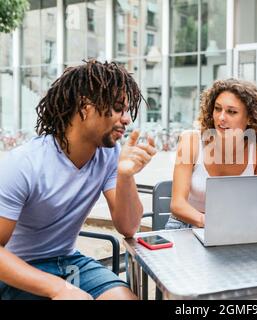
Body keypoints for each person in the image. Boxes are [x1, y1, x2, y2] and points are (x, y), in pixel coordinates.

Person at [0, 60, 156, 300]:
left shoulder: (110, 154)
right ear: (85, 106)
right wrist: (58, 288)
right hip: (18, 271)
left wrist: (126, 175)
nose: (126, 119)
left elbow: (128, 227)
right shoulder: (25, 163)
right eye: (117, 108)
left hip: (69, 262)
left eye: (127, 110)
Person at [166, 79, 257, 229]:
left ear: (250, 117)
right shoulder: (190, 141)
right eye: (217, 109)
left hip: (233, 225)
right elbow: (177, 205)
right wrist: (213, 224)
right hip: (185, 224)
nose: (221, 117)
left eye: (232, 112)